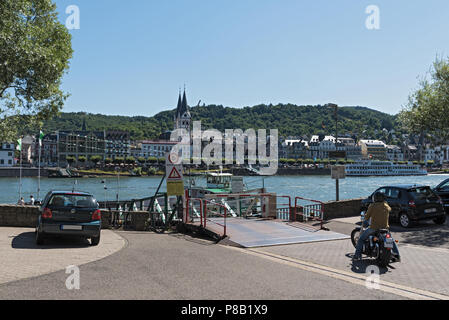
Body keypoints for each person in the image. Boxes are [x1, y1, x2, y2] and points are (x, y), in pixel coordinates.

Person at [353, 192, 400, 261]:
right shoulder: (386, 205)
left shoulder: (372, 206)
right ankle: (397, 255)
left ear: (375, 198)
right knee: (391, 241)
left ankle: (357, 256)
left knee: (361, 239)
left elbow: (367, 217)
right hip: (385, 228)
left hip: (374, 228)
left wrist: (365, 218)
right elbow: (389, 209)